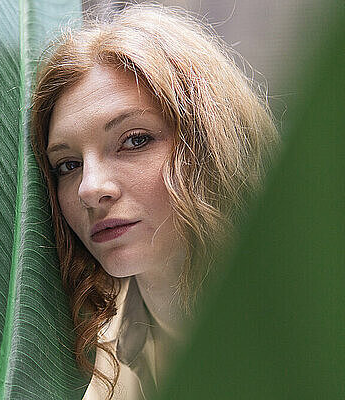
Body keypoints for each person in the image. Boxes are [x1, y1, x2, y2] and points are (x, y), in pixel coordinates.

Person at [30, 4, 279, 400]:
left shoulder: (311, 314)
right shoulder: (88, 369)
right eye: (68, 165)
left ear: (210, 143)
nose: (89, 188)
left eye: (135, 140)